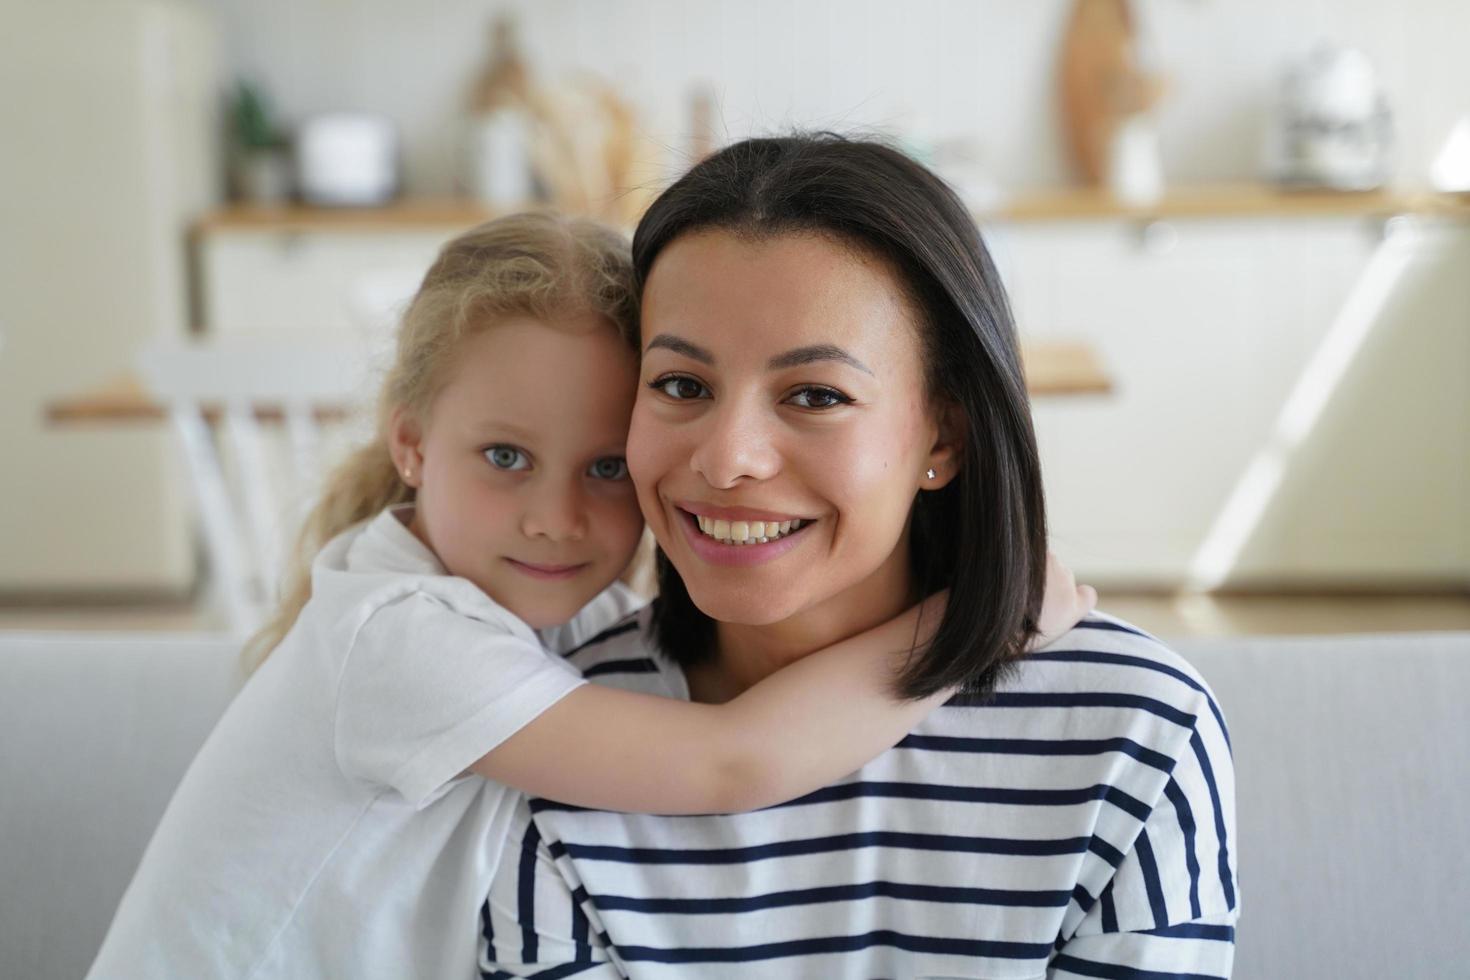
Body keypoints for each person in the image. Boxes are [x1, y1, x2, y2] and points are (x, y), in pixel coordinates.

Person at [86, 213, 1093, 979]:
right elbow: (730, 758)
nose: (555, 517)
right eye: (505, 456)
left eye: (607, 467)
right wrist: (973, 621)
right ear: (410, 442)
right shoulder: (400, 636)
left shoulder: (564, 621)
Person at [479, 135, 1239, 979]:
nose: (728, 457)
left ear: (942, 436)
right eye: (682, 386)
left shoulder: (1134, 734)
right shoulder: (546, 740)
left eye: (816, 395)